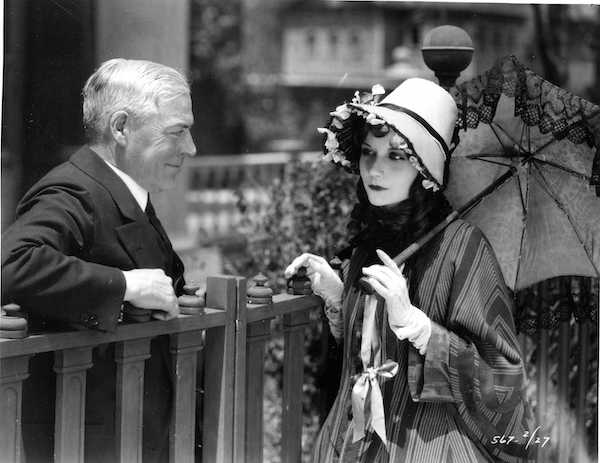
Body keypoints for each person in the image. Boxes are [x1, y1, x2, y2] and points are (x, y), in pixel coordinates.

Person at [285, 78, 533, 462]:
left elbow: (504, 386)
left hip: (430, 447)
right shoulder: (368, 240)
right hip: (348, 444)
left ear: (425, 170)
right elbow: (363, 356)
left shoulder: (464, 248)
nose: (375, 169)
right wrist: (341, 298)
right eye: (368, 152)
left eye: (397, 156)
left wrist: (422, 331)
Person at [1, 58, 198, 462]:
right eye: (177, 132)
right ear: (121, 127)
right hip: (87, 439)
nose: (191, 148)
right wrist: (127, 285)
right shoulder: (74, 191)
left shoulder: (122, 189)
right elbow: (12, 264)